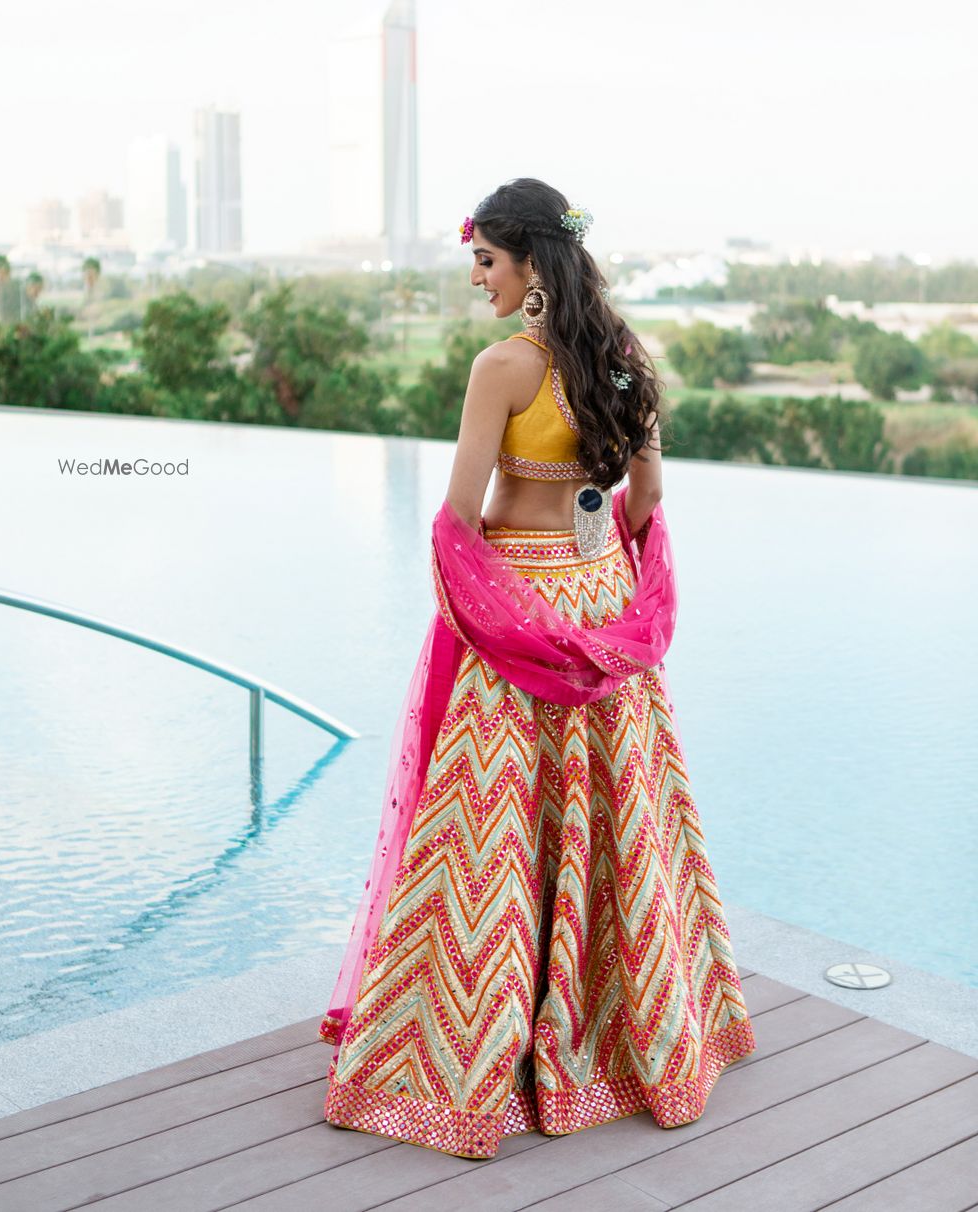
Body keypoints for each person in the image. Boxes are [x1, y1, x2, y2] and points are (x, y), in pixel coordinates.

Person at [318, 177, 756, 1159]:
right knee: (620, 819)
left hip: (518, 617)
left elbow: (459, 518)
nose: (477, 276)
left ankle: (473, 1053)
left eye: (485, 258)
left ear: (528, 262)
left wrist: (485, 608)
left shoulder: (501, 368)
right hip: (603, 611)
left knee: (492, 835)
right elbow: (644, 502)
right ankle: (640, 1027)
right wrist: (610, 599)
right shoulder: (624, 358)